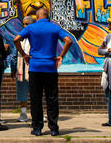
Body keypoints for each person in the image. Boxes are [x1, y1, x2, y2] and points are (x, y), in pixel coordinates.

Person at [14, 8, 72, 136]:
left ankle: (37, 128)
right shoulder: (54, 28)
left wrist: (24, 54)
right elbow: (69, 41)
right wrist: (61, 55)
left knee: (36, 99)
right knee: (52, 98)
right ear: (48, 16)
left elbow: (16, 39)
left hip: (35, 67)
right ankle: (53, 128)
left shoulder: (31, 28)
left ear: (37, 16)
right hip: (50, 67)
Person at [10, 15, 36, 122]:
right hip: (22, 67)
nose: (24, 26)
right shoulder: (20, 38)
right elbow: (14, 55)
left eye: (27, 24)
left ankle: (37, 114)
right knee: (22, 90)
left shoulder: (36, 37)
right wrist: (13, 68)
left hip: (34, 67)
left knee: (36, 91)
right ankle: (24, 113)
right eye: (23, 24)